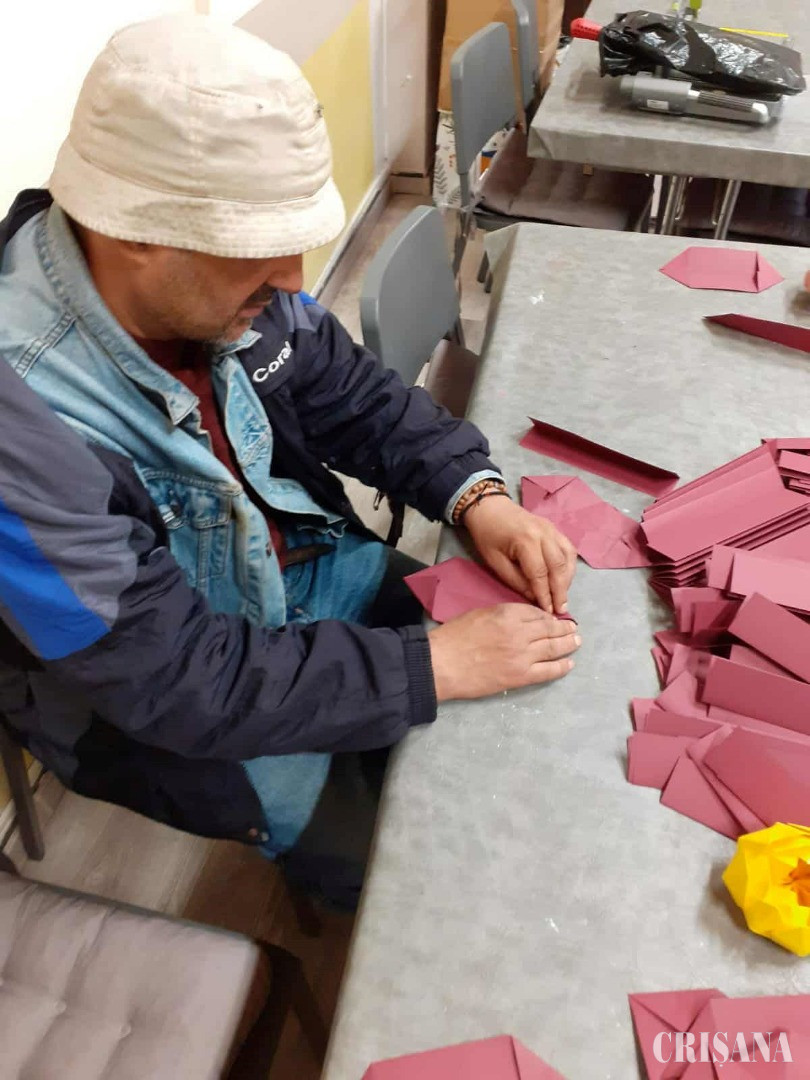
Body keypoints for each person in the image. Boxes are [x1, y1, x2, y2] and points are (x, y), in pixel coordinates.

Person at [0, 14, 579, 907]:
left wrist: (477, 496)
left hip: (304, 574)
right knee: (429, 886)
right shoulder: (24, 433)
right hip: (167, 701)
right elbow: (175, 684)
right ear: (136, 235)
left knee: (540, 719)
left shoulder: (233, 291)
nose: (295, 283)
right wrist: (429, 668)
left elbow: (360, 400)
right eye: (257, 252)